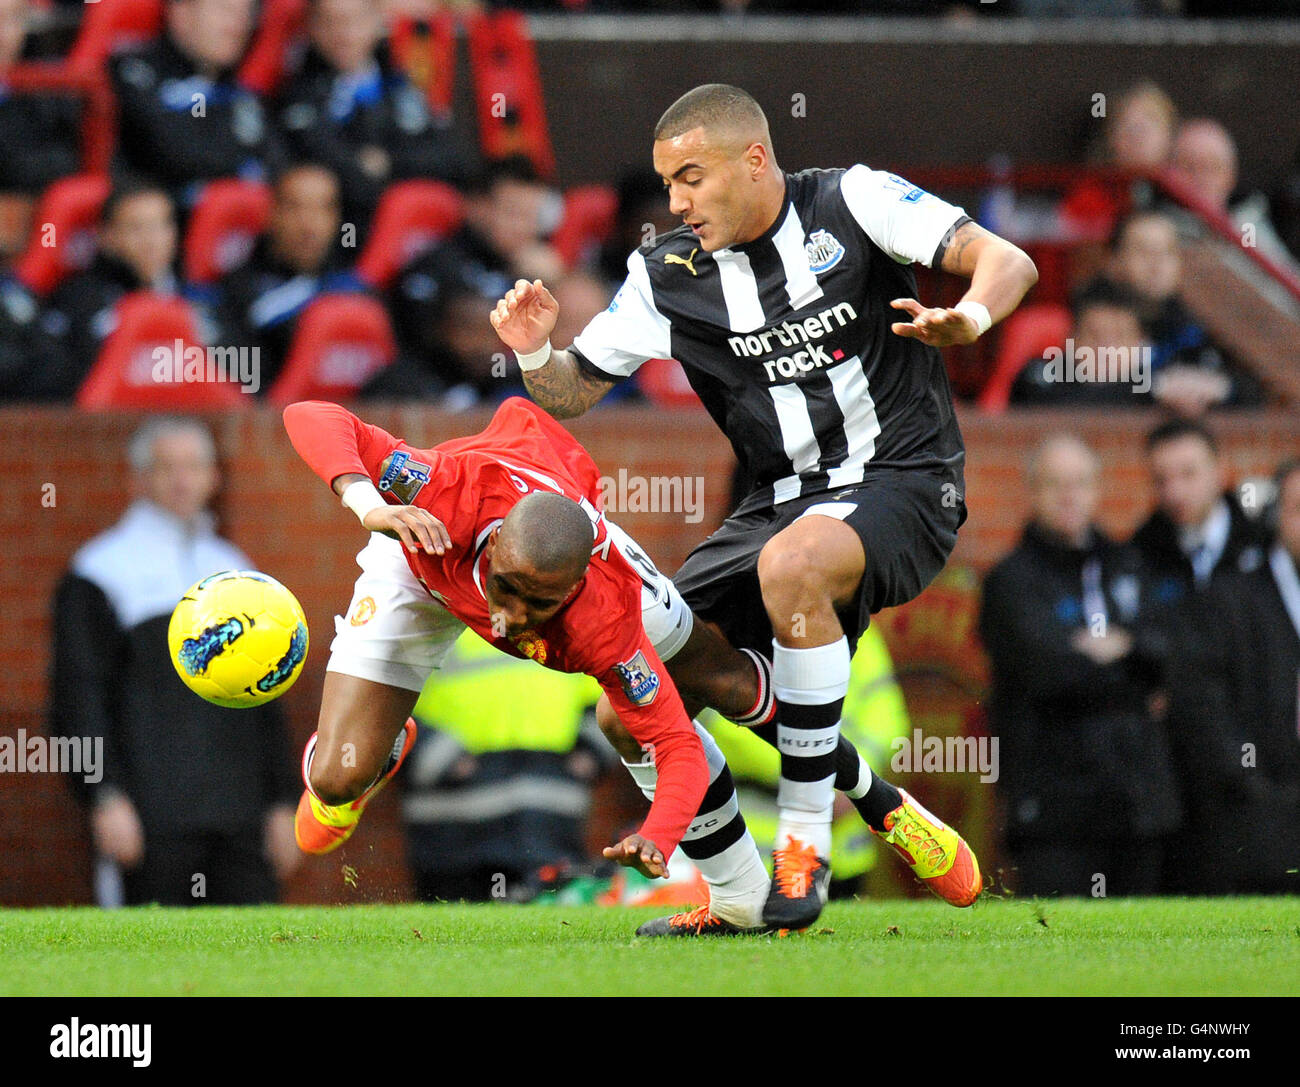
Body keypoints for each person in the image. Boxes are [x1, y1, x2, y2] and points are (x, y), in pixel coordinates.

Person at [489, 82, 1029, 926]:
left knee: (797, 562)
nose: (676, 202)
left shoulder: (852, 200)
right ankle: (748, 894)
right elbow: (570, 390)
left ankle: (803, 851)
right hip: (775, 506)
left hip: (906, 479)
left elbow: (1010, 259)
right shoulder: (665, 275)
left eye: (692, 178)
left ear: (754, 160)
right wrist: (533, 354)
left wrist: (972, 313)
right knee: (629, 708)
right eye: (668, 183)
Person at [49, 417, 300, 906]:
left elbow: (266, 692)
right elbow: (78, 697)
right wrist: (103, 795)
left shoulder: (233, 566)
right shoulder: (100, 571)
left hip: (242, 815)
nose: (182, 480)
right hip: (151, 817)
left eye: (194, 466)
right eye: (166, 468)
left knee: (255, 969)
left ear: (214, 477)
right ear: (137, 479)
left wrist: (282, 800)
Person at [978, 435, 1181, 897]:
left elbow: (1166, 651)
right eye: (1055, 484)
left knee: (1143, 951)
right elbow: (1047, 672)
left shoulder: (1127, 564)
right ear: (1033, 491)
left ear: (1096, 489)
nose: (1069, 496)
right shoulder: (1011, 581)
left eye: (1080, 483)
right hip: (1053, 812)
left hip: (1137, 804)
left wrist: (1118, 648)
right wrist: (1127, 659)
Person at [1165, 459, 1300, 894]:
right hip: (1260, 824)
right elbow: (1204, 707)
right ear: (1278, 517)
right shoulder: (1230, 599)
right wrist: (1256, 787)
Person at [276, 0, 468, 231]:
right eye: (331, 22)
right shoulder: (298, 93)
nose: (344, 33)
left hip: (401, 229)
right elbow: (317, 157)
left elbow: (447, 159)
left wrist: (387, 162)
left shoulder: (400, 87)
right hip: (343, 230)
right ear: (312, 28)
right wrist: (361, 168)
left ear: (377, 22)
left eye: (354, 20)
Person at [110, 0, 284, 211]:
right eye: (225, 9)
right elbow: (174, 153)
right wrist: (240, 164)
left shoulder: (243, 95)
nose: (238, 25)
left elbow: (277, 168)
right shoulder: (136, 72)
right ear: (180, 11)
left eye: (245, 14)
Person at [218, 162, 365, 391]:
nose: (309, 225)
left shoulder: (357, 291)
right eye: (295, 208)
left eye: (323, 208)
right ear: (272, 214)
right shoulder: (237, 292)